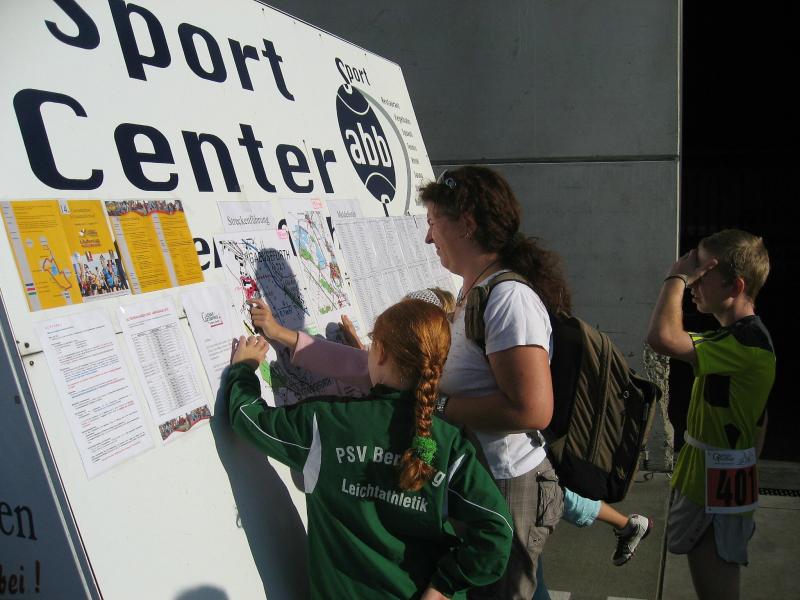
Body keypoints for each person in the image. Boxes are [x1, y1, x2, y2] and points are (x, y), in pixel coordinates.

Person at [226, 298, 513, 599]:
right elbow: (497, 531)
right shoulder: (450, 444)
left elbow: (247, 418)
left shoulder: (326, 423)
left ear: (382, 353)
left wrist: (243, 369)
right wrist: (444, 586)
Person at [418, 166, 570, 598]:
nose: (428, 238)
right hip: (485, 478)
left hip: (505, 483)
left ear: (466, 224)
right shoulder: (474, 291)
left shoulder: (508, 298)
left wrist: (438, 406)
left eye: (433, 223)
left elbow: (532, 410)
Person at [646, 229, 774, 600]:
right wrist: (743, 462)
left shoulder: (746, 344)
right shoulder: (737, 338)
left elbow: (662, 338)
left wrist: (675, 277)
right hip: (713, 482)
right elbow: (761, 418)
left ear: (735, 286)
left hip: (714, 489)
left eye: (702, 275)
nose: (693, 284)